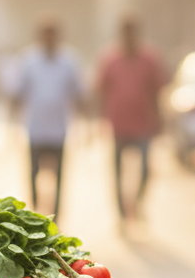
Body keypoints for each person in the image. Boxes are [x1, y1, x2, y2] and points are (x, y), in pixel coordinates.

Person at [95, 17, 168, 218]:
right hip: (118, 124)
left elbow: (157, 90)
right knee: (117, 172)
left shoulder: (149, 58)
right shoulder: (110, 59)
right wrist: (100, 120)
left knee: (145, 170)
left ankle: (138, 203)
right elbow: (101, 90)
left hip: (143, 124)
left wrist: (160, 120)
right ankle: (121, 212)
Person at [14, 19, 83, 217]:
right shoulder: (28, 61)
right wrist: (11, 125)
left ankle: (56, 217)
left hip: (58, 131)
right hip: (36, 130)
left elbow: (78, 94)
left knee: (59, 178)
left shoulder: (69, 62)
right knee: (34, 176)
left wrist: (88, 126)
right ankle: (36, 215)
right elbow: (18, 93)